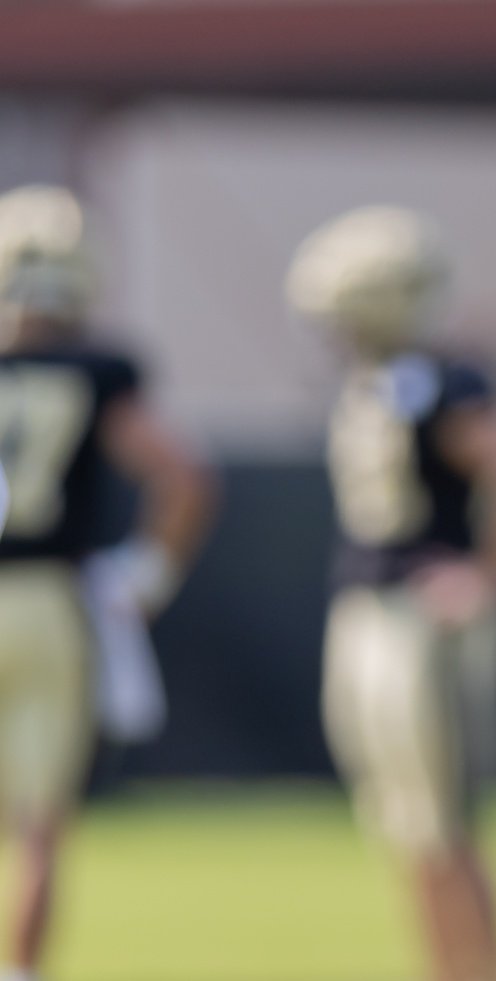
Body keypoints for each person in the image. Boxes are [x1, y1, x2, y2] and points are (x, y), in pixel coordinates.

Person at [286, 204, 496, 981]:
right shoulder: (376, 379)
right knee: (407, 824)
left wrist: (488, 576)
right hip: (365, 610)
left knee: (447, 823)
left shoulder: (447, 383)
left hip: (424, 619)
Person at [0, 183, 216, 981]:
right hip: (50, 605)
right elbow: (184, 473)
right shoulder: (97, 369)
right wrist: (146, 571)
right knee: (38, 823)